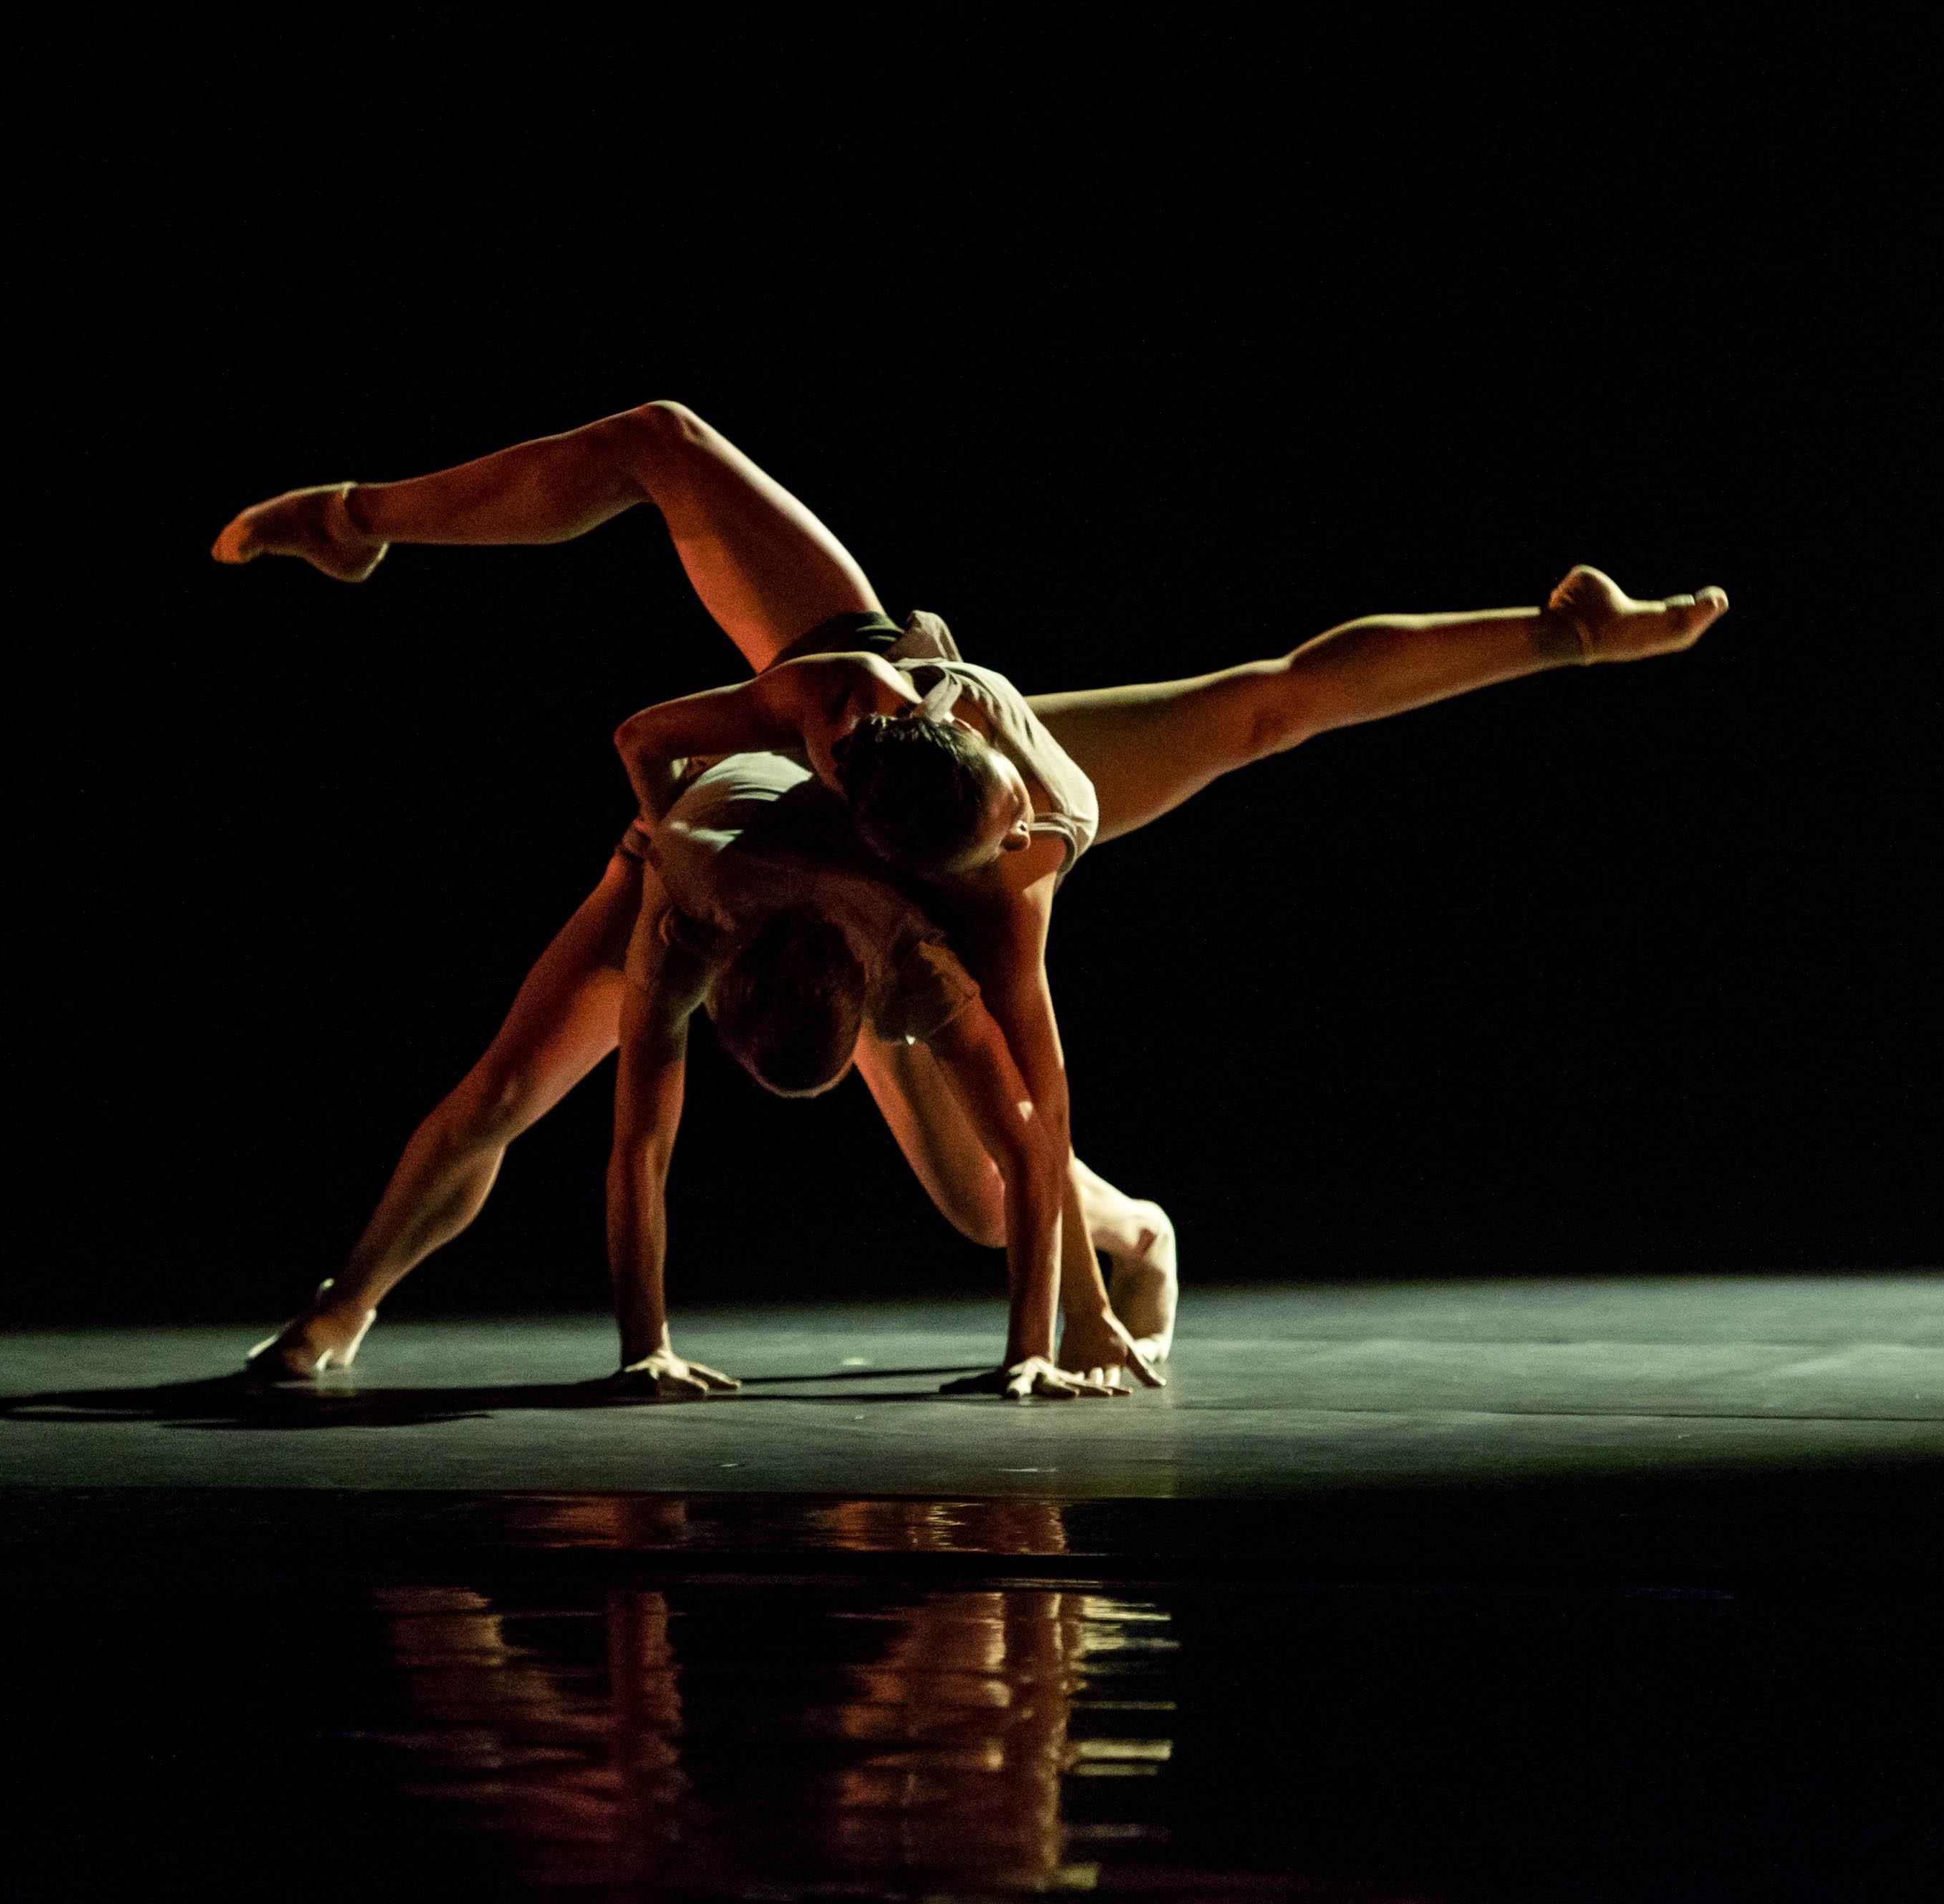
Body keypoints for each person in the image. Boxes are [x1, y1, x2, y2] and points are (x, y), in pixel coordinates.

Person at [213, 402, 1726, 1398]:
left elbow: (1036, 1100)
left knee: (1252, 722)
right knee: (663, 441)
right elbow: (569, 1107)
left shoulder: (1006, 846)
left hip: (956, 779)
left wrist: (1048, 1330)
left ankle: (1562, 636)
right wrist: (358, 1323)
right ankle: (347, 1303)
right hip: (866, 796)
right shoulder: (754, 807)